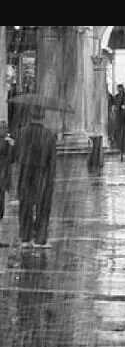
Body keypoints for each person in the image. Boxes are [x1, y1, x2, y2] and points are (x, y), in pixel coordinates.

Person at [16, 105, 57, 249]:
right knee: (43, 206)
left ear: (30, 115)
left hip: (26, 173)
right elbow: (52, 160)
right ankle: (40, 238)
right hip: (42, 173)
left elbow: (17, 154)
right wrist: (51, 177)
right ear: (43, 116)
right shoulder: (49, 134)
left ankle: (25, 237)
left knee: (25, 205)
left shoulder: (22, 132)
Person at [0, 122, 15, 246]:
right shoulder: (3, 142)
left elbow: (12, 159)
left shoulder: (6, 142)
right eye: (4, 128)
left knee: (1, 210)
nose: (6, 130)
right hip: (1, 180)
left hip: (3, 181)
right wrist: (10, 144)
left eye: (6, 128)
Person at [113, 84, 125, 150]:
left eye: (120, 89)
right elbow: (115, 105)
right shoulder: (116, 97)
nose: (119, 90)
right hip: (118, 116)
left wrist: (124, 107)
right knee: (118, 129)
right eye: (118, 89)